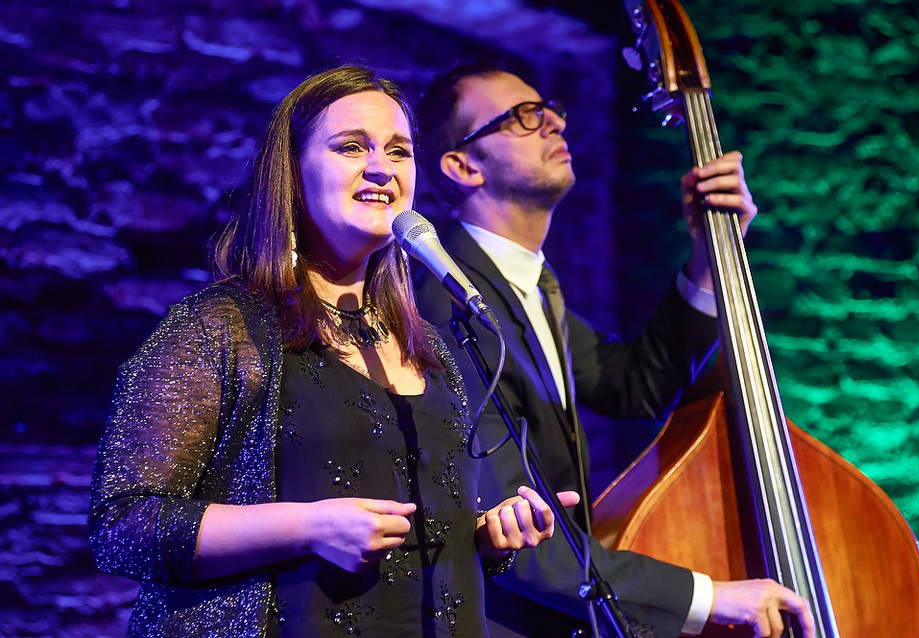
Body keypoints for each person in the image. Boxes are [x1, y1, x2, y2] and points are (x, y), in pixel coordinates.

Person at [88, 65, 579, 638]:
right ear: (293, 175)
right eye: (351, 147)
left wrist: (488, 537)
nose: (382, 168)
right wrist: (308, 526)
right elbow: (122, 527)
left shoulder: (434, 349)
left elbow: (420, 541)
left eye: (399, 152)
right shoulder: (224, 327)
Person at [412, 63, 814, 638]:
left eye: (548, 108)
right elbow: (513, 539)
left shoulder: (528, 287)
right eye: (522, 117)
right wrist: (708, 597)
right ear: (463, 165)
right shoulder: (444, 300)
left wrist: (709, 253)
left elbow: (636, 385)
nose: (552, 121)